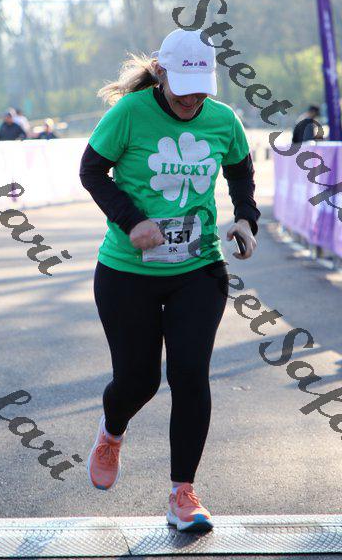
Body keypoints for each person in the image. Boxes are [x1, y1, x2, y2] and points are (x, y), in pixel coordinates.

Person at [79, 28, 260, 532]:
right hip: (127, 271)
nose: (192, 100)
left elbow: (240, 173)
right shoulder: (129, 114)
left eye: (201, 90)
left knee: (190, 374)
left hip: (199, 269)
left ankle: (183, 495)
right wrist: (132, 220)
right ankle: (112, 431)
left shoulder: (223, 120)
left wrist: (246, 219)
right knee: (138, 380)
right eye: (183, 90)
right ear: (161, 74)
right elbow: (92, 172)